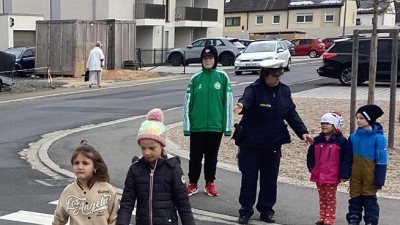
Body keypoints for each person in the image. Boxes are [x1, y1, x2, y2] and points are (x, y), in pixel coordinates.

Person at [233, 59, 313, 224]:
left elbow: (291, 113)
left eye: (279, 76)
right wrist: (242, 106)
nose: (277, 79)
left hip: (273, 143)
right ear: (265, 75)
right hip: (252, 143)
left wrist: (303, 132)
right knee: (249, 179)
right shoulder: (253, 90)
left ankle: (267, 210)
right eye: (274, 76)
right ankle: (245, 211)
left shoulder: (284, 91)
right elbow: (246, 101)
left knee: (270, 179)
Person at [117, 108, 195, 225]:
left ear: (162, 146)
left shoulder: (172, 168)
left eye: (152, 148)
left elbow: (183, 203)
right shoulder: (135, 169)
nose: (147, 152)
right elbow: (127, 201)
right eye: (143, 148)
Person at [183, 45, 233, 197]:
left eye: (210, 58)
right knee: (195, 156)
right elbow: (187, 103)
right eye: (205, 59)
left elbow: (228, 103)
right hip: (198, 127)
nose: (208, 61)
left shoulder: (223, 77)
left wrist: (227, 127)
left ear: (215, 59)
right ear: (201, 61)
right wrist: (187, 126)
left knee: (212, 157)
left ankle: (210, 182)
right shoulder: (195, 78)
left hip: (215, 126)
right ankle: (192, 183)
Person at [341, 104, 388, 225]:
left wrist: (379, 179)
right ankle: (353, 218)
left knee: (369, 200)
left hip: (370, 175)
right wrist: (345, 173)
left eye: (362, 118)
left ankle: (371, 220)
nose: (358, 120)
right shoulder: (353, 137)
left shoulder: (379, 138)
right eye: (357, 118)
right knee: (354, 198)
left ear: (370, 119)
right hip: (356, 175)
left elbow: (382, 161)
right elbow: (348, 156)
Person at [52, 142, 118, 225]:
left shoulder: (107, 190)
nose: (80, 167)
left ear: (95, 166)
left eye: (85, 163)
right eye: (76, 163)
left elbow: (114, 219)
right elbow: (59, 219)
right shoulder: (68, 192)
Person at [307, 112, 347, 225]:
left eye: (327, 123)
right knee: (322, 196)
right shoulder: (317, 140)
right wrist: (311, 168)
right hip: (318, 173)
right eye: (322, 123)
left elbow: (345, 158)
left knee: (330, 197)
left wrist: (344, 173)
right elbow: (310, 155)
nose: (324, 125)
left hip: (332, 174)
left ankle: (329, 218)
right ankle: (322, 216)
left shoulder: (341, 141)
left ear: (334, 125)